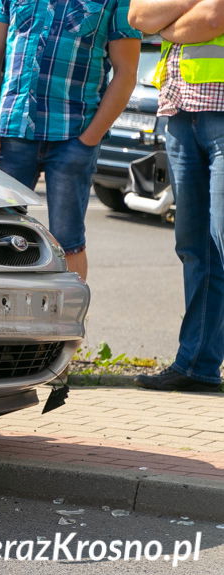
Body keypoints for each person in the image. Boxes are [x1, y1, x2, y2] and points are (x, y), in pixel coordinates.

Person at [0, 0, 141, 281]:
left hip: (73, 138)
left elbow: (126, 73)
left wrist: (89, 139)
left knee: (68, 241)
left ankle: (67, 322)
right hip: (12, 134)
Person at [129, 0, 224, 392]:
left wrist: (166, 24)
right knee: (197, 248)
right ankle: (197, 364)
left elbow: (214, 17)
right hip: (180, 114)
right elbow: (138, 18)